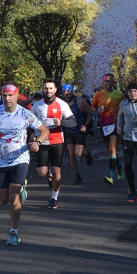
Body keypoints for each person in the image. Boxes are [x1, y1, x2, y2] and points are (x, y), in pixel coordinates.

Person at [0, 83, 50, 246]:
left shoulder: (24, 114)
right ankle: (22, 189)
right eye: (4, 95)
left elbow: (44, 131)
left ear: (16, 96)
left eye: (10, 95)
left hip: (20, 159)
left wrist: (38, 143)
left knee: (13, 195)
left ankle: (14, 232)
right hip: (1, 160)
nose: (7, 98)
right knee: (3, 199)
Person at [30, 79, 77, 209]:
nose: (48, 91)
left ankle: (54, 198)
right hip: (42, 142)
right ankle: (48, 173)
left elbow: (73, 122)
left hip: (57, 141)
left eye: (51, 88)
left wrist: (61, 122)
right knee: (41, 173)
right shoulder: (37, 105)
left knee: (57, 171)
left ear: (55, 90)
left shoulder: (62, 104)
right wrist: (32, 134)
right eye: (46, 88)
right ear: (43, 89)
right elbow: (30, 123)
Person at [91, 73, 124, 184]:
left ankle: (111, 174)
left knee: (113, 148)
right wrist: (97, 111)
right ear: (103, 82)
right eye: (105, 81)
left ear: (113, 82)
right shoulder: (98, 94)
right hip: (104, 125)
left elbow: (124, 106)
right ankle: (119, 166)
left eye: (109, 81)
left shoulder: (119, 94)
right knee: (109, 150)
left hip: (115, 124)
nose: (107, 83)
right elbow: (92, 108)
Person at [62, 86, 95, 184]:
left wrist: (86, 125)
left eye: (68, 91)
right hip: (69, 131)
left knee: (78, 154)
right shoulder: (62, 104)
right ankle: (77, 175)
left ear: (72, 92)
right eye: (64, 92)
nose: (66, 93)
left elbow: (90, 113)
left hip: (79, 131)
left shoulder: (80, 101)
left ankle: (86, 153)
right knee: (71, 154)